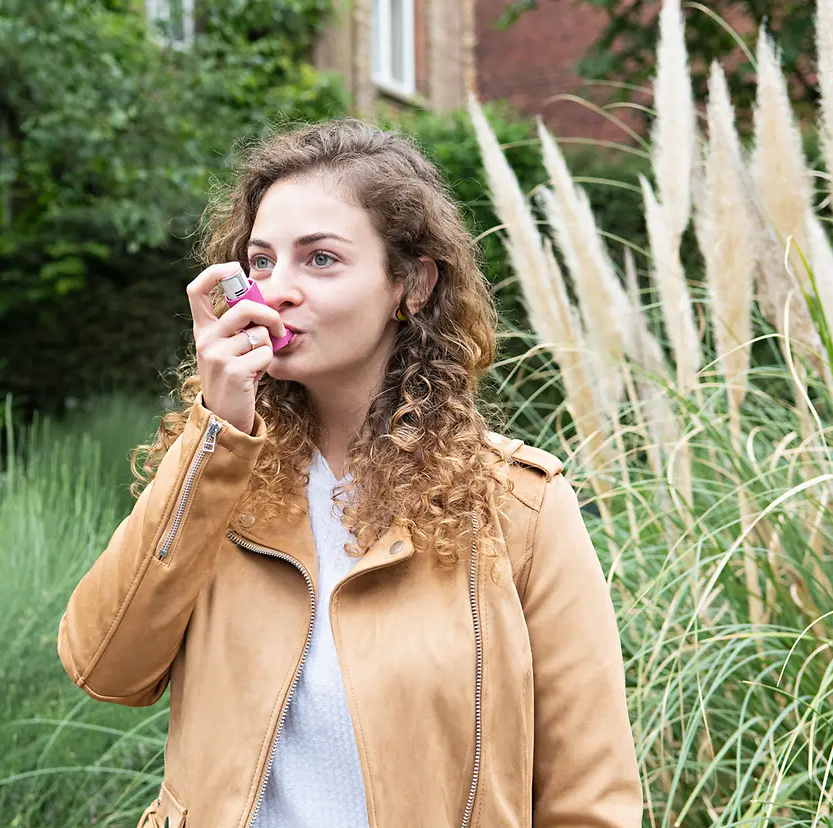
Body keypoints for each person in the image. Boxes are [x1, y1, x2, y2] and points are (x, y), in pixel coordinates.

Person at [57, 118, 642, 828]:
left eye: (321, 260)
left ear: (414, 284)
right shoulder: (219, 473)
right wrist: (217, 433)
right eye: (262, 262)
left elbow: (591, 800)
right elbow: (106, 668)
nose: (279, 290)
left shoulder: (519, 508)